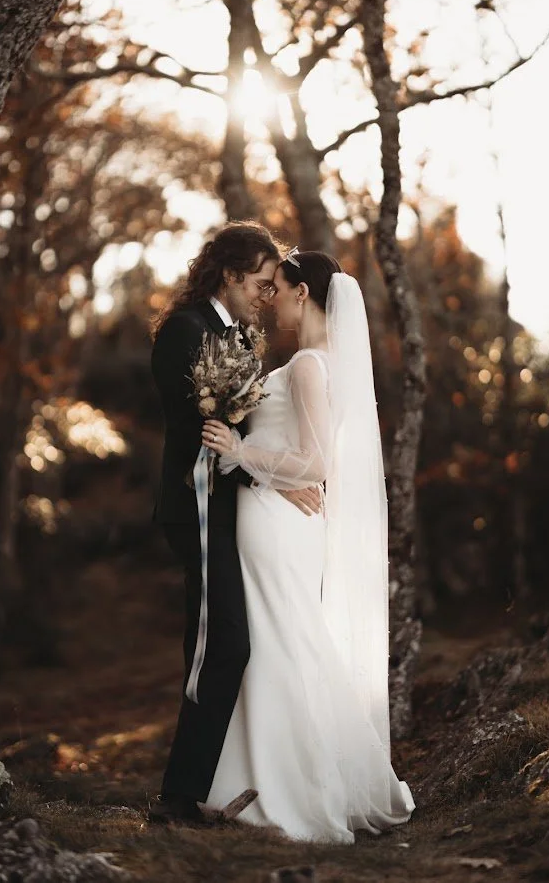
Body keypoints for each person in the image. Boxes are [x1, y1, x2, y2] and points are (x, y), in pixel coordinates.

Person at [202, 249, 415, 843]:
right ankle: (267, 780)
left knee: (281, 643)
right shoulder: (316, 364)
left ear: (303, 294)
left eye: (279, 288)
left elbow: (317, 463)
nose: (270, 299)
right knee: (281, 640)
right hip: (277, 514)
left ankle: (290, 789)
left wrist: (240, 453)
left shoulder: (308, 367)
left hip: (275, 520)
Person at [148, 224, 322, 825]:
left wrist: (276, 477)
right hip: (195, 509)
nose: (267, 295)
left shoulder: (239, 339)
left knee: (228, 642)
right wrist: (265, 476)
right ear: (229, 272)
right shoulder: (186, 329)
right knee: (220, 643)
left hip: (228, 513)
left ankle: (193, 789)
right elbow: (203, 432)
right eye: (260, 282)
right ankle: (179, 796)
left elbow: (240, 435)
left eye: (274, 287)